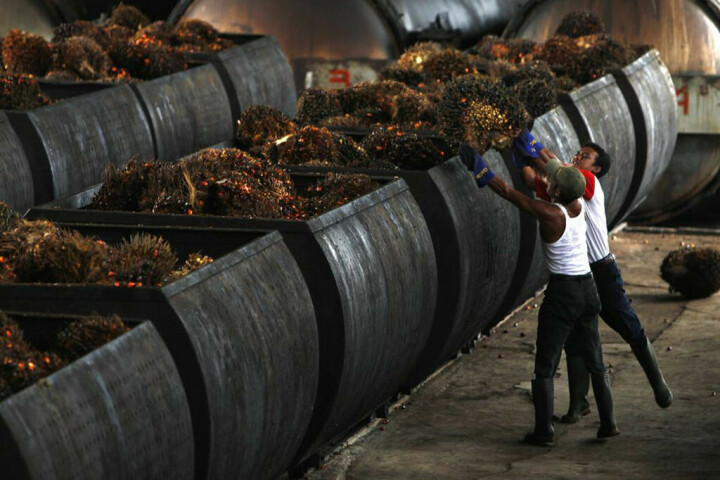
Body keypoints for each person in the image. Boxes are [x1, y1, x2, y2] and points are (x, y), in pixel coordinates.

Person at [459, 142, 619, 446]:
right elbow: (551, 175)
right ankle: (609, 422)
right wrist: (531, 150)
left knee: (546, 361)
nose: (547, 182)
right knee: (595, 357)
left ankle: (544, 431)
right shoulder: (579, 207)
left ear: (556, 191)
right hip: (589, 289)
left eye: (552, 182)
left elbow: (508, 192)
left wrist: (479, 167)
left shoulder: (550, 214)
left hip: (564, 293)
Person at [514, 135, 673, 423]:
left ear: (595, 169)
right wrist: (519, 155)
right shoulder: (560, 190)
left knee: (628, 325)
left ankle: (657, 381)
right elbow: (531, 180)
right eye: (577, 154)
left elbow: (554, 169)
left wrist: (531, 144)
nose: (577, 157)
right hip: (578, 277)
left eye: (585, 156)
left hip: (601, 270)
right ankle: (579, 403)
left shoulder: (586, 181)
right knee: (577, 341)